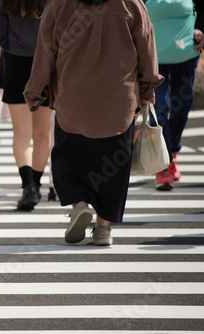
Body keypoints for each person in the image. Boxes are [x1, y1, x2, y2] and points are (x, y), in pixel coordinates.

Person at [23, 0, 163, 246]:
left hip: (72, 97)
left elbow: (45, 49)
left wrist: (35, 90)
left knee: (68, 159)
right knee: (112, 166)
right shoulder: (130, 3)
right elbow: (146, 43)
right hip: (118, 100)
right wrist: (149, 84)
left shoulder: (59, 4)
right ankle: (102, 229)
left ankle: (79, 205)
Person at [0, 0, 53, 211]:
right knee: (43, 132)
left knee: (21, 133)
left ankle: (27, 186)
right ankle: (35, 183)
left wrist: (9, 43)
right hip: (46, 61)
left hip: (15, 59)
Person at [145, 0, 204, 190]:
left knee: (183, 105)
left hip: (187, 54)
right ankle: (164, 164)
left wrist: (202, 29)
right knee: (160, 109)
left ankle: (172, 152)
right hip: (154, 57)